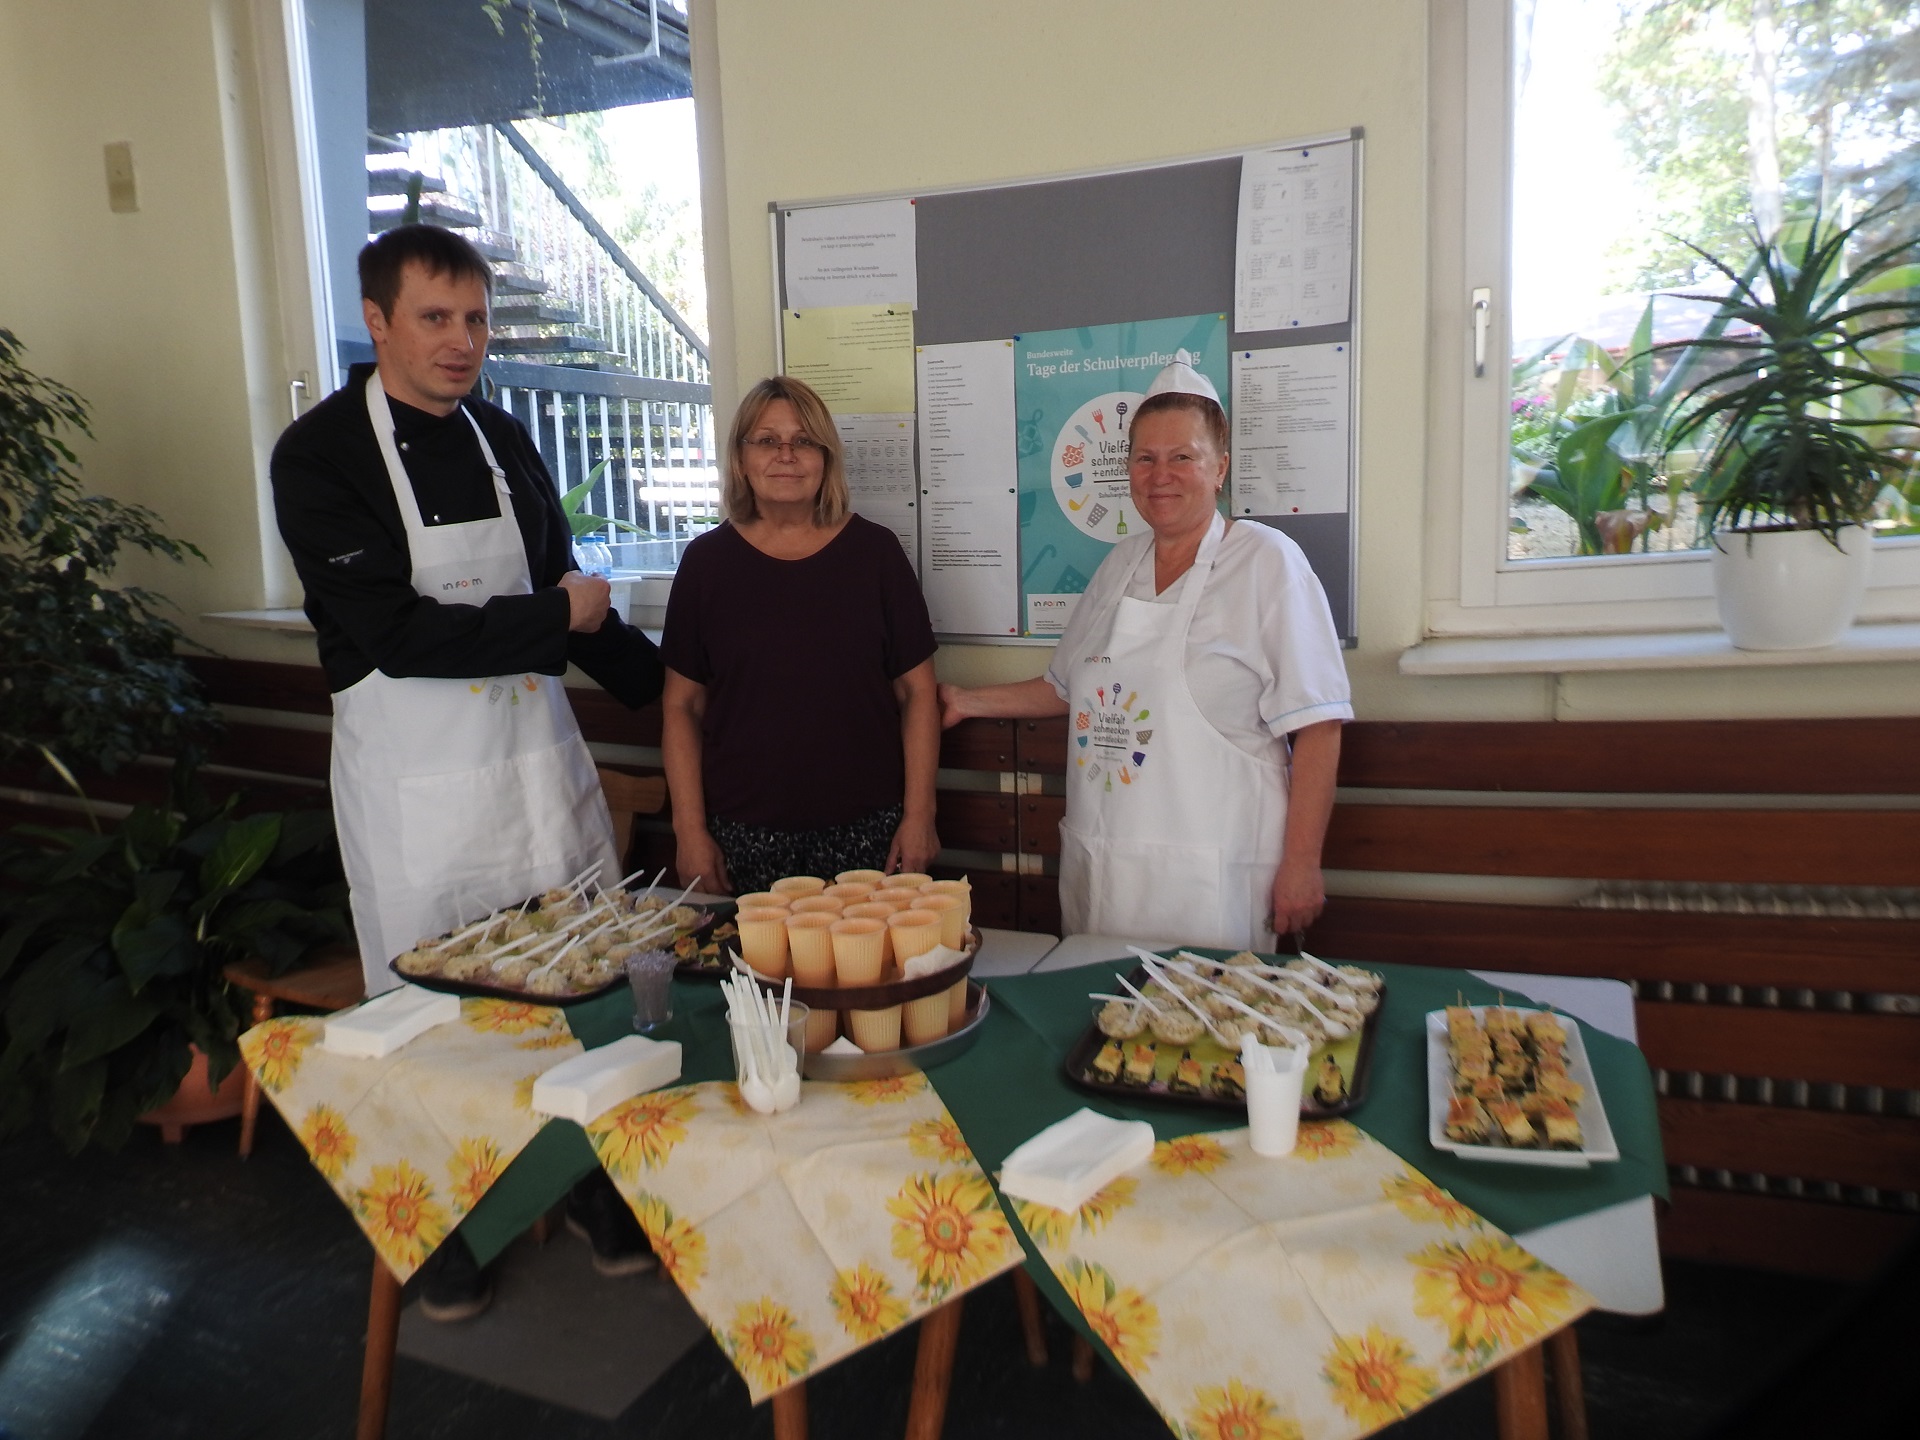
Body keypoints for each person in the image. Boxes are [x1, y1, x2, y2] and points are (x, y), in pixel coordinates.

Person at [270, 224, 663, 1317]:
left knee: (573, 991)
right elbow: (398, 633)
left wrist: (679, 694)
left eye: (477, 319)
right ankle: (435, 1227)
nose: (462, 342)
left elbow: (568, 593)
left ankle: (584, 1190)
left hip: (536, 774)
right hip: (421, 800)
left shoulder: (503, 436)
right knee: (428, 1024)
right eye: (435, 319)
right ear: (380, 321)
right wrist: (555, 614)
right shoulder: (319, 456)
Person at [939, 352, 1351, 950]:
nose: (1162, 475)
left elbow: (1319, 725)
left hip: (1213, 875)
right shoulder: (1118, 566)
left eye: (1183, 457)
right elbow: (1065, 687)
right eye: (1146, 458)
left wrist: (1302, 865)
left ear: (1220, 468)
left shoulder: (1268, 563)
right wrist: (965, 701)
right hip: (1106, 868)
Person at [660, 376, 940, 893]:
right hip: (740, 834)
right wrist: (689, 831)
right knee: (752, 975)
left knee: (866, 972)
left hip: (868, 830)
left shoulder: (876, 555)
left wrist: (919, 816)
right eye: (767, 440)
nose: (786, 455)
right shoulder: (706, 564)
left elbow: (918, 691)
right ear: (741, 458)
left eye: (804, 440)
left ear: (826, 458)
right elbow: (682, 707)